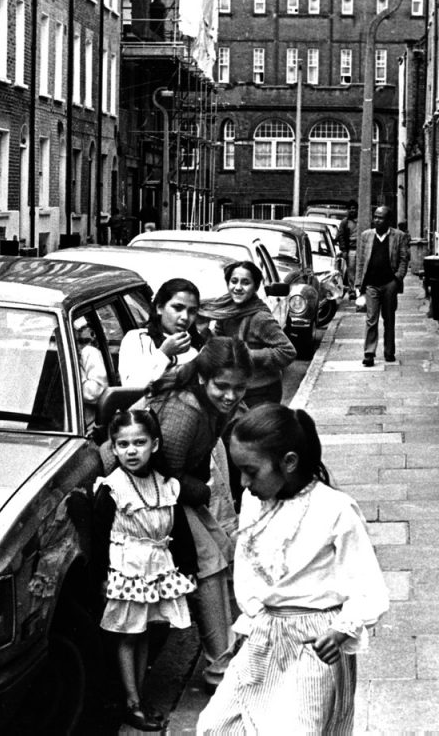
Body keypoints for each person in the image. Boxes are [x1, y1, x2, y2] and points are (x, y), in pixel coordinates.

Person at [197, 405, 389, 735]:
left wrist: (343, 628)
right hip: (265, 635)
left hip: (314, 643)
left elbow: (367, 585)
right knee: (216, 725)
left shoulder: (335, 510)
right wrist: (256, 618)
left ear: (288, 462)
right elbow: (246, 568)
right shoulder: (253, 501)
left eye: (251, 471)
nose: (243, 481)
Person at [101, 336, 253, 690]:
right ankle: (221, 669)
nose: (230, 396)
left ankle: (228, 656)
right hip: (146, 495)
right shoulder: (185, 410)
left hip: (168, 490)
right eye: (223, 387)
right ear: (204, 379)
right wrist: (202, 490)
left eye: (239, 387)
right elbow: (164, 470)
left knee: (222, 554)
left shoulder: (216, 403)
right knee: (210, 567)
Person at [93, 409, 198, 731]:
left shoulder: (165, 484)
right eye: (122, 444)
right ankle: (132, 702)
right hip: (127, 568)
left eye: (139, 442)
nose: (131, 450)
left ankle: (136, 696)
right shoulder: (112, 487)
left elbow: (179, 529)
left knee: (145, 633)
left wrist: (188, 566)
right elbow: (97, 537)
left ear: (155, 444)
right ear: (113, 448)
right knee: (128, 635)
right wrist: (100, 577)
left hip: (156, 567)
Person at [200, 261, 296, 407]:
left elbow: (287, 352)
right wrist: (204, 331)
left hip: (260, 392)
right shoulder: (227, 311)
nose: (238, 287)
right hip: (236, 388)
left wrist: (245, 355)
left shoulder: (260, 318)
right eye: (234, 281)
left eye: (245, 283)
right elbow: (220, 345)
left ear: (256, 287)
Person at [119, 277, 206, 389]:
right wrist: (164, 353)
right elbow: (130, 388)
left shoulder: (195, 349)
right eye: (177, 308)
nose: (185, 317)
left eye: (192, 311)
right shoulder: (138, 339)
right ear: (159, 307)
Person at [355, 205, 410, 366]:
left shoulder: (399, 236)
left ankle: (389, 351)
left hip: (389, 284)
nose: (377, 220)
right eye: (375, 217)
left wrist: (397, 279)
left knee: (389, 319)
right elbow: (360, 261)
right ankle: (369, 353)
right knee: (371, 319)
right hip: (371, 284)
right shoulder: (366, 236)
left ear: (388, 221)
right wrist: (358, 284)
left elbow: (403, 259)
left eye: (381, 218)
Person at [337, 202, 358, 292]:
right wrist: (344, 250)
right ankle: (352, 289)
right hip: (351, 250)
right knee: (351, 270)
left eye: (354, 208)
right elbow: (341, 236)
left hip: (362, 249)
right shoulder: (345, 222)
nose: (352, 210)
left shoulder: (362, 221)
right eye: (350, 208)